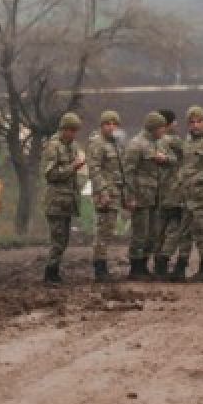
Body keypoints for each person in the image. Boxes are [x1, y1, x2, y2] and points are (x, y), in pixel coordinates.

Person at [171, 106, 203, 281]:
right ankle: (180, 268)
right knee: (184, 233)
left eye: (199, 121)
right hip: (188, 197)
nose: (195, 125)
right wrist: (181, 180)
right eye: (192, 122)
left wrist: (195, 178)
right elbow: (185, 165)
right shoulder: (188, 141)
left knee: (201, 233)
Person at [123, 111, 169, 280]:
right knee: (139, 233)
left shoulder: (156, 144)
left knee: (152, 233)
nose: (164, 131)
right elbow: (129, 172)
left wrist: (164, 159)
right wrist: (130, 197)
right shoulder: (136, 145)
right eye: (161, 127)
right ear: (153, 128)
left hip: (154, 196)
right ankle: (135, 268)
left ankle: (143, 265)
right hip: (141, 197)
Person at [41, 112, 85, 284]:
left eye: (75, 131)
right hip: (56, 202)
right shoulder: (53, 147)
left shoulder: (72, 146)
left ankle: (54, 272)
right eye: (71, 130)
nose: (74, 134)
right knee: (58, 240)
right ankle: (50, 273)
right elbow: (50, 174)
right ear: (63, 129)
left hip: (67, 201)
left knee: (64, 240)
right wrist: (73, 167)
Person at [86, 110, 127, 282]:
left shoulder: (116, 144)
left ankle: (102, 265)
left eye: (114, 124)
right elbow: (94, 170)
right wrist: (102, 192)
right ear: (101, 126)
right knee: (103, 231)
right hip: (105, 194)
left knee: (108, 230)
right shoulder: (98, 144)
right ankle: (99, 268)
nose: (111, 127)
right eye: (107, 124)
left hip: (115, 193)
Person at [151, 108, 183, 279]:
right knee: (175, 229)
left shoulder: (154, 141)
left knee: (159, 230)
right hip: (174, 192)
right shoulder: (173, 141)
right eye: (174, 122)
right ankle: (163, 260)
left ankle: (158, 263)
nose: (177, 125)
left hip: (158, 192)